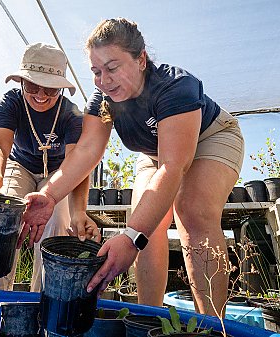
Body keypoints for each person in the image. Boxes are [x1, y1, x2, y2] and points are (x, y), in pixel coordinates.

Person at [21, 18, 244, 316]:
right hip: (154, 154)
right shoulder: (103, 99)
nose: (103, 80)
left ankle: (213, 323)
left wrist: (131, 237)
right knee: (145, 223)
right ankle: (147, 318)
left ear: (140, 59)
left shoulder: (175, 86)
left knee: (192, 209)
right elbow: (87, 151)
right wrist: (48, 195)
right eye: (96, 72)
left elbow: (174, 166)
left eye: (112, 68)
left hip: (210, 137)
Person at [0, 43, 100, 292]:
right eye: (32, 86)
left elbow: (78, 166)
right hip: (20, 166)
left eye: (50, 89)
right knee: (4, 212)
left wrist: (78, 212)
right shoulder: (11, 102)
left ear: (60, 88)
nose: (41, 95)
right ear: (21, 82)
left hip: (58, 172)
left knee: (58, 223)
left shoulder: (72, 115)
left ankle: (41, 298)